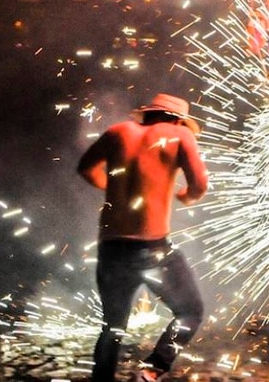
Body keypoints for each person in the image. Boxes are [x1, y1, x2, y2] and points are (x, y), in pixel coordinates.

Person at [77, 93, 209, 382]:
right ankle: (151, 371)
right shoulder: (178, 135)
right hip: (151, 248)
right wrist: (186, 196)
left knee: (112, 326)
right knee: (190, 311)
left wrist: (114, 188)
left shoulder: (118, 131)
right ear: (176, 119)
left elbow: (85, 168)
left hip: (111, 247)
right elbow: (200, 184)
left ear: (149, 114)